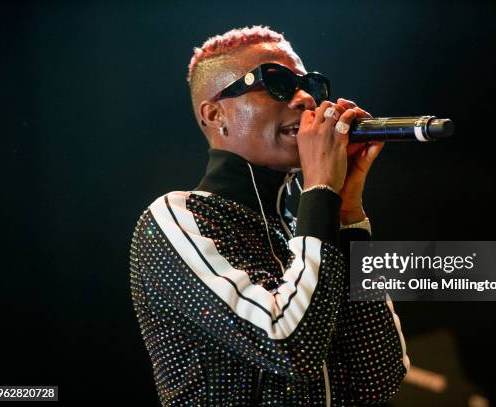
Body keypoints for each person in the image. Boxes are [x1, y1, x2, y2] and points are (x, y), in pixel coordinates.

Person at [129, 26, 409, 406]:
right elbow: (289, 345)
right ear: (215, 114)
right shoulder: (176, 217)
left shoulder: (303, 234)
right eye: (277, 83)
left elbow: (378, 377)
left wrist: (346, 217)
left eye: (309, 85)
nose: (307, 99)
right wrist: (320, 191)